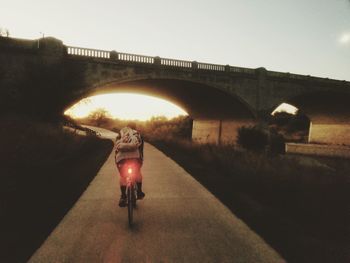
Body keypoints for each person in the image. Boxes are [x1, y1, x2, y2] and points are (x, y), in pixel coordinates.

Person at [115, 122, 145, 207]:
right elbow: (141, 149)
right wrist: (140, 160)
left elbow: (116, 148)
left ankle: (123, 197)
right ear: (135, 127)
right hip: (135, 157)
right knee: (138, 172)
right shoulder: (137, 134)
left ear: (126, 127)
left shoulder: (121, 133)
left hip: (121, 158)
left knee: (123, 176)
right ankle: (139, 192)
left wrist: (117, 161)